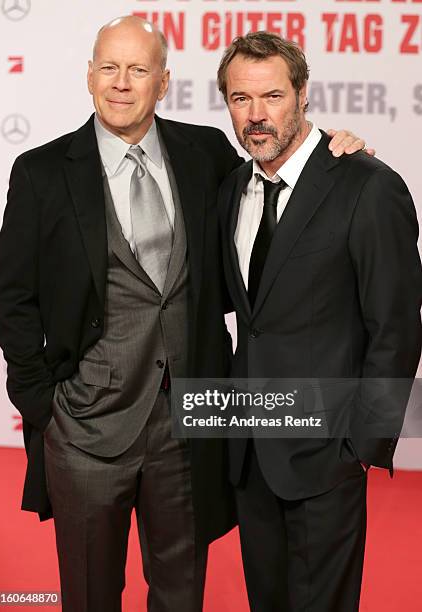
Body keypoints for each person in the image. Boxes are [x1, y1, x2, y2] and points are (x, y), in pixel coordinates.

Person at [0, 15, 370, 612]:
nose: (122, 82)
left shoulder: (206, 153)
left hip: (188, 427)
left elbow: (278, 186)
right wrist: (44, 405)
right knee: (90, 597)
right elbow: (11, 298)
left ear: (163, 82)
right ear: (89, 77)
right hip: (85, 430)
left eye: (138, 69)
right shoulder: (40, 172)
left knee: (180, 595)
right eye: (109, 68)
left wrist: (336, 149)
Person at [217, 31, 422, 612]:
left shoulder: (367, 186)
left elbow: (396, 327)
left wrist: (363, 444)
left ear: (304, 94)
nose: (257, 116)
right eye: (240, 99)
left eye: (273, 96)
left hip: (327, 454)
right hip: (251, 447)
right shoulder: (233, 187)